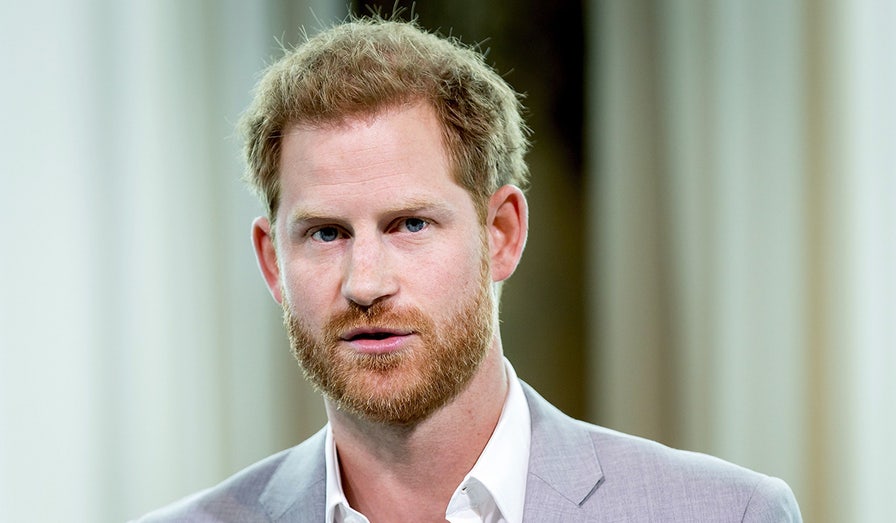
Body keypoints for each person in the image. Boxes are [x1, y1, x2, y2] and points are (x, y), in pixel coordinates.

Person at [136, 17, 802, 523]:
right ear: (271, 260)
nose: (364, 282)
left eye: (410, 224)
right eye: (325, 232)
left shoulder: (723, 513)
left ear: (502, 233)